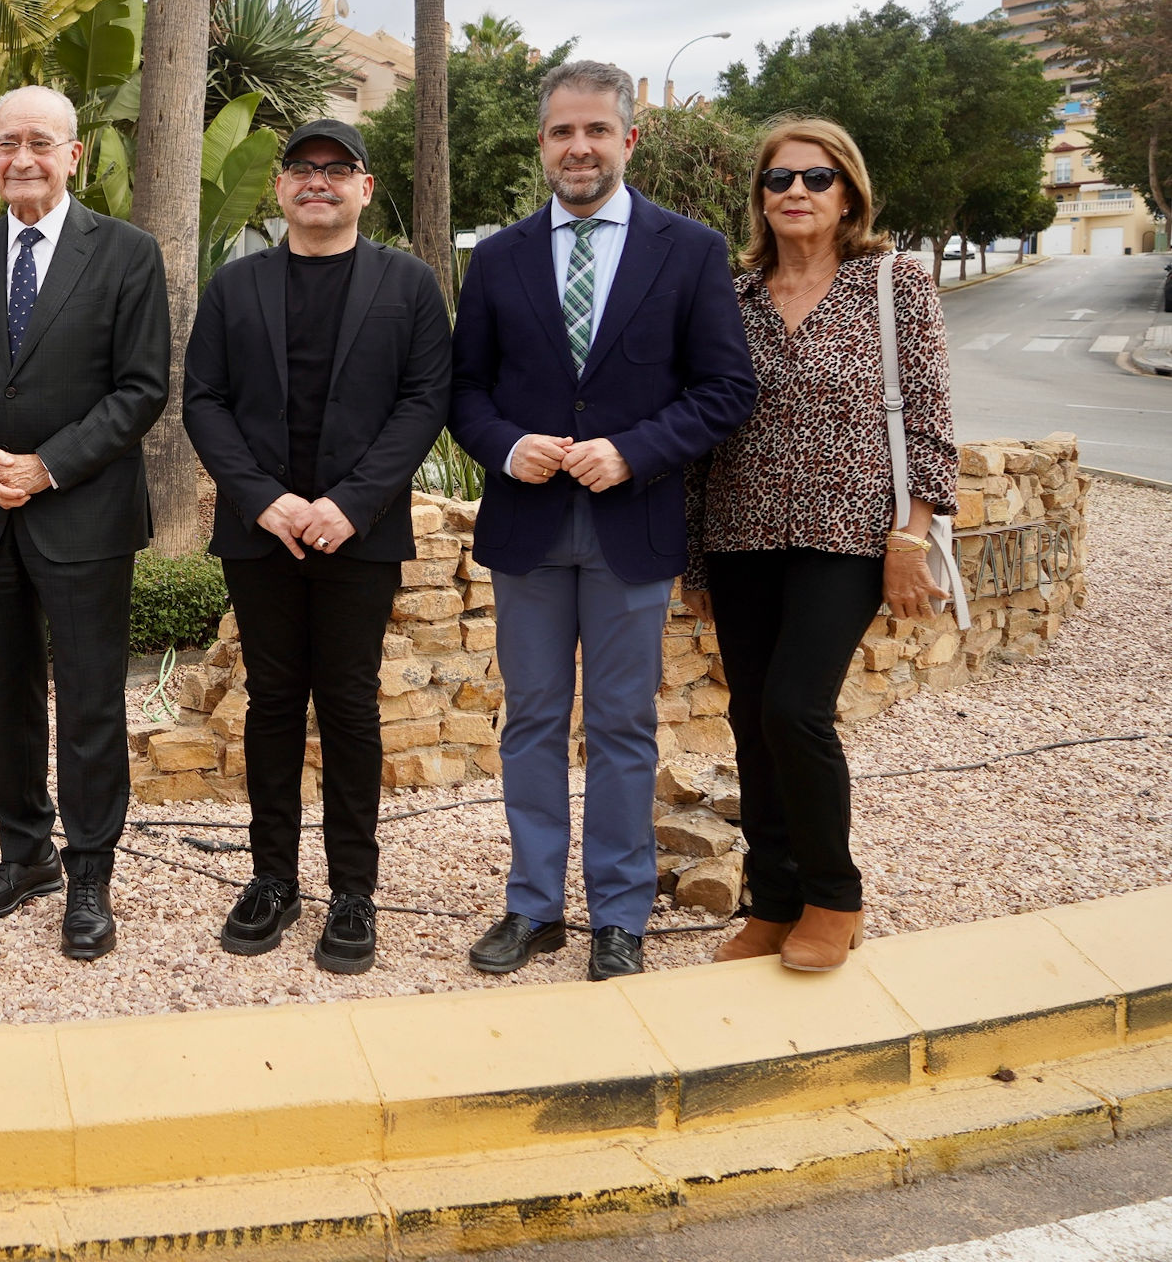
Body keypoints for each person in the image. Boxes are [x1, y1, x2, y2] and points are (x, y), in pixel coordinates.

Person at [449, 60, 757, 982]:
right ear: (541, 144)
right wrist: (506, 447)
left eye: (595, 130)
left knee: (623, 726)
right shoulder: (497, 256)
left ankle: (618, 916)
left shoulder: (689, 250)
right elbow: (464, 391)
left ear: (630, 137)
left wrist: (634, 450)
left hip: (634, 525)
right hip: (529, 529)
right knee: (532, 721)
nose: (577, 147)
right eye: (559, 132)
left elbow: (725, 388)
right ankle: (533, 908)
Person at [684, 118, 953, 973]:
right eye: (778, 179)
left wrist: (911, 538)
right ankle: (773, 901)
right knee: (750, 719)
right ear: (760, 197)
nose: (795, 191)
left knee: (795, 710)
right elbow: (700, 431)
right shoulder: (730, 295)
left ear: (849, 195)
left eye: (816, 178)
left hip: (848, 535)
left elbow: (932, 417)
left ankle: (834, 896)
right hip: (739, 530)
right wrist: (694, 560)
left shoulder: (892, 285)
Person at [183, 118, 452, 973]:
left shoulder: (408, 286)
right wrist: (264, 502)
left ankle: (353, 893)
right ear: (281, 188)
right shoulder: (236, 287)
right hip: (261, 534)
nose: (319, 182)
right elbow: (204, 401)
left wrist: (350, 503)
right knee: (269, 705)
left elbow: (423, 402)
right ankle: (272, 880)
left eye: (339, 170)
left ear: (365, 189)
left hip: (358, 536)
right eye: (302, 169)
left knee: (347, 707)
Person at [0, 84, 171, 961]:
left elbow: (141, 388)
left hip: (84, 514)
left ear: (74, 156)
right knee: (5, 698)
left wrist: (49, 463)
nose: (20, 157)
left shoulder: (128, 254)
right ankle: (25, 856)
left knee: (91, 702)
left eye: (38, 142)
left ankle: (91, 875)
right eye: (5, 144)